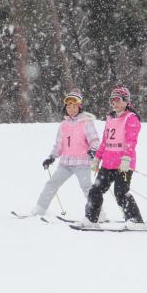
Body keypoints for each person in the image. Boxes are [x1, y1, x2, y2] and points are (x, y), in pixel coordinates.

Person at [29, 89, 100, 217]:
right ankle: (40, 208)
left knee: (87, 188)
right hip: (65, 163)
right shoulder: (63, 125)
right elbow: (59, 145)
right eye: (69, 106)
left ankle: (98, 215)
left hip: (82, 162)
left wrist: (93, 149)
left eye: (74, 106)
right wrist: (51, 157)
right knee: (52, 184)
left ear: (80, 107)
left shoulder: (86, 122)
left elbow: (94, 139)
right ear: (65, 108)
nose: (71, 109)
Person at [85, 85, 144, 227]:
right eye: (112, 100)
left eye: (117, 100)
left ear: (126, 100)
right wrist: (97, 158)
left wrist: (126, 159)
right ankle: (91, 220)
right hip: (108, 164)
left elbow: (131, 141)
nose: (114, 103)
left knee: (121, 193)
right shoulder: (110, 118)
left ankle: (136, 221)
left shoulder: (131, 118)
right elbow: (105, 141)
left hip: (123, 165)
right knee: (95, 190)